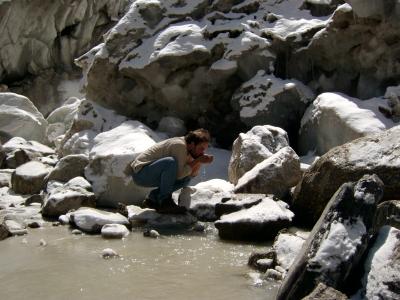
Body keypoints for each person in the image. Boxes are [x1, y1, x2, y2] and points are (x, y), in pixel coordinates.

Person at [131, 128, 213, 214]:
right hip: (141, 174)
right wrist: (197, 160)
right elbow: (178, 174)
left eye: (204, 150)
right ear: (192, 144)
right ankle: (165, 202)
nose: (203, 152)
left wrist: (198, 161)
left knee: (186, 179)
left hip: (151, 173)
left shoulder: (189, 150)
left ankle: (153, 199)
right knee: (170, 162)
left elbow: (191, 174)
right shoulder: (179, 145)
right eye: (201, 148)